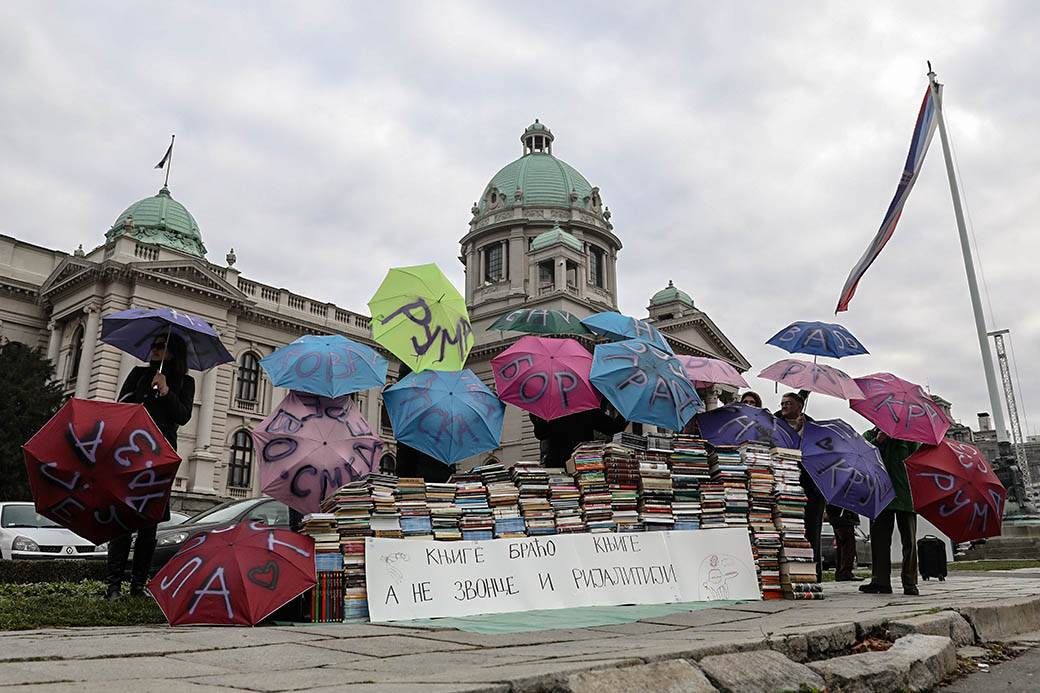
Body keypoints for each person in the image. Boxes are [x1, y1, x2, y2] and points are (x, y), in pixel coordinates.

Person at [107, 333, 195, 599]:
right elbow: (121, 407)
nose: (154, 350)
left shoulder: (185, 382)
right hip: (131, 452)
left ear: (174, 353)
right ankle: (113, 585)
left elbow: (183, 416)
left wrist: (167, 391)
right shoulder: (137, 375)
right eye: (153, 346)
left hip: (162, 456)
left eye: (161, 346)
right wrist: (146, 393)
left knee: (149, 524)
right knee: (123, 520)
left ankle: (137, 585)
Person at [860, 428, 921, 596]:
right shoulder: (869, 436)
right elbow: (861, 458)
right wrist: (878, 442)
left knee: (909, 540)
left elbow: (918, 462)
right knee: (879, 541)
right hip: (880, 495)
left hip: (905, 495)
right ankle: (880, 581)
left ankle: (910, 582)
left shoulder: (908, 438)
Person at [775, 391, 826, 581]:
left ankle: (814, 575)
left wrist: (803, 432)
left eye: (788, 403)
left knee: (812, 532)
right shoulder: (774, 423)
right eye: (782, 403)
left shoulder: (813, 426)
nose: (783, 406)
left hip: (811, 487)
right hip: (785, 484)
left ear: (799, 406)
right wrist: (794, 433)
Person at [392, 362, 455, 483]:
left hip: (419, 482)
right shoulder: (444, 407)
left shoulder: (410, 412)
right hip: (436, 481)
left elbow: (404, 466)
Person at [529, 402, 627, 468]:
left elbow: (540, 434)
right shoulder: (585, 408)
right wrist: (627, 411)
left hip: (558, 463)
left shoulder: (551, 410)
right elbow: (613, 427)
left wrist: (536, 414)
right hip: (583, 461)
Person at [827, 506, 862, 581]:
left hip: (836, 518)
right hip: (844, 518)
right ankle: (845, 573)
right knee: (849, 546)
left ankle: (840, 572)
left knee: (841, 547)